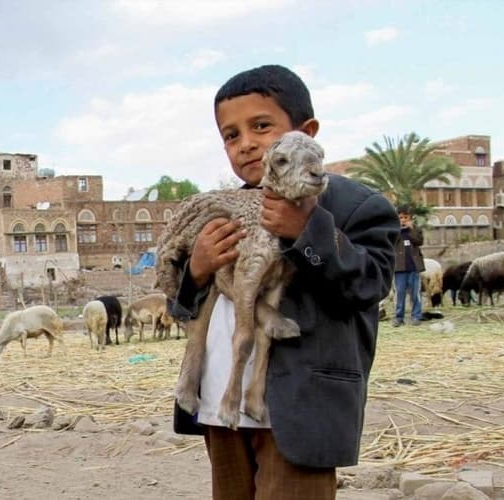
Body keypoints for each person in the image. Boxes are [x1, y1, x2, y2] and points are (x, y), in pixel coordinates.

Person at [167, 64, 399, 500]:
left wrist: (308, 230)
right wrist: (196, 271)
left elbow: (369, 286)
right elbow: (183, 307)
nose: (246, 144)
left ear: (307, 132)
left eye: (261, 126)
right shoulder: (225, 209)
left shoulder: (356, 206)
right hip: (223, 406)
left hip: (298, 410)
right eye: (231, 135)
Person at [392, 205, 425, 327]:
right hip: (399, 268)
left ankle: (416, 316)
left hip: (414, 267)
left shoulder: (416, 229)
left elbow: (419, 241)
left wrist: (411, 230)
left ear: (410, 218)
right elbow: (391, 243)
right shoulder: (394, 231)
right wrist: (398, 229)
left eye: (406, 217)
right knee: (399, 293)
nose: (403, 220)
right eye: (400, 217)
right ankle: (398, 317)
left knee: (415, 293)